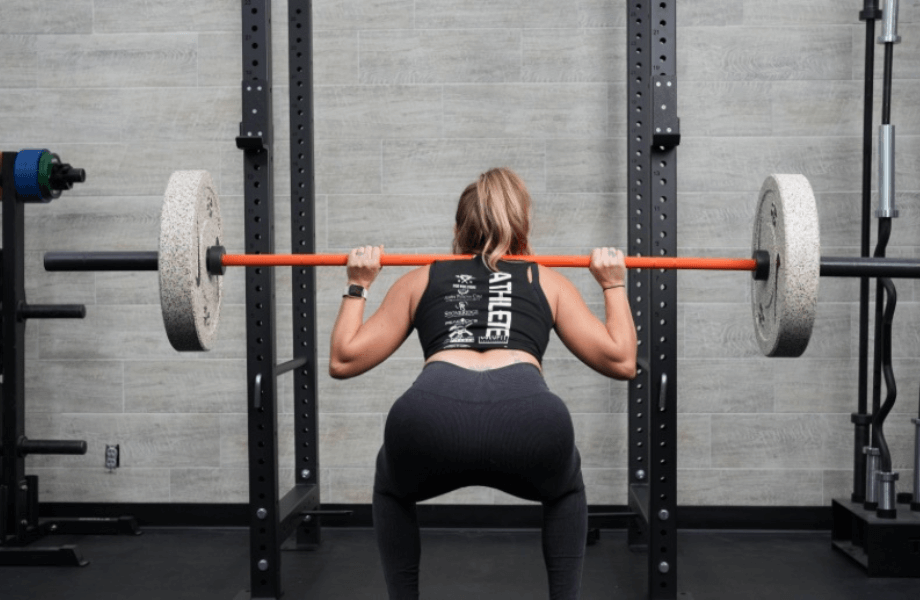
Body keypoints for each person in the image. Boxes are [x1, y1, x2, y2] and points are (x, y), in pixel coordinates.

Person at [329, 167, 638, 599]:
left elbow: (343, 360)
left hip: (431, 415)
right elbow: (623, 360)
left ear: (458, 229)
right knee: (566, 489)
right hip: (529, 417)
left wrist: (357, 285)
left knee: (391, 483)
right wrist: (614, 284)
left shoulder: (420, 278)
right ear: (523, 227)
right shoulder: (547, 279)